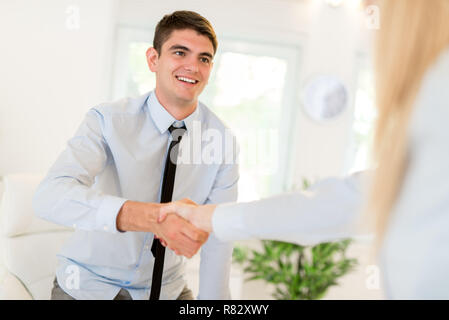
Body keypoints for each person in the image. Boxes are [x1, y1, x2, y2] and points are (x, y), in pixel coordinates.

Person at [159, 0, 449, 299]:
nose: (368, 10)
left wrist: (212, 218)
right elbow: (360, 199)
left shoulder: (438, 90)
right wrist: (213, 218)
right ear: (153, 59)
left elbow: (353, 202)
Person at [33, 11, 239, 300]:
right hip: (88, 285)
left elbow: (219, 237)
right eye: (180, 52)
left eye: (204, 58)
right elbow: (49, 197)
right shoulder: (107, 120)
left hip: (168, 289)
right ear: (153, 59)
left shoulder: (223, 142)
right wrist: (151, 217)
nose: (193, 66)